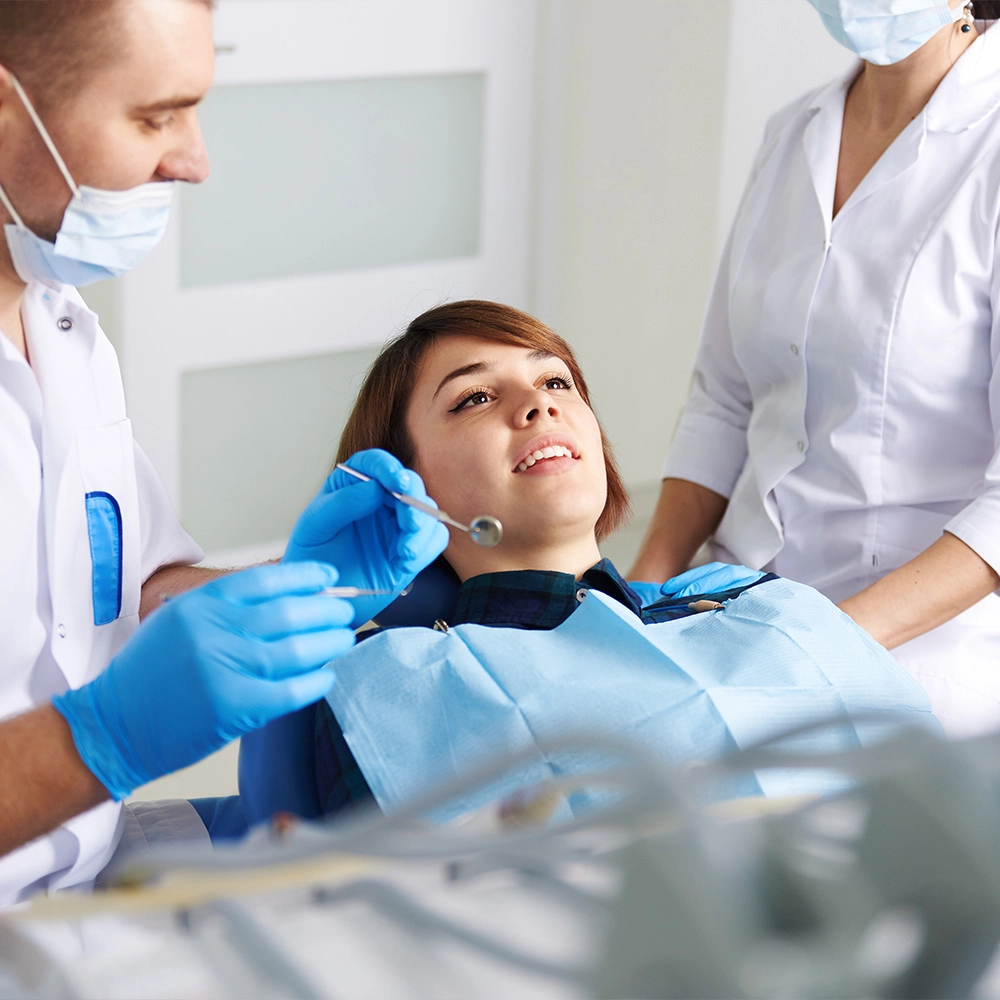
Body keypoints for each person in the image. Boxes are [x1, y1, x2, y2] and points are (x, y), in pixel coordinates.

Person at [0, 0, 446, 905]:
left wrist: (309, 587)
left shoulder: (66, 334)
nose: (195, 161)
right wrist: (102, 741)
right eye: (155, 116)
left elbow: (120, 593)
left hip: (81, 888)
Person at [305, 300, 936, 819]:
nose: (540, 404)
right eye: (474, 398)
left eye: (556, 381)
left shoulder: (756, 601)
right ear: (405, 484)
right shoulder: (394, 681)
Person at [629, 0, 1000, 738]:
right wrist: (638, 592)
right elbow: (725, 399)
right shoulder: (794, 133)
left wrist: (815, 648)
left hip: (914, 658)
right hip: (734, 611)